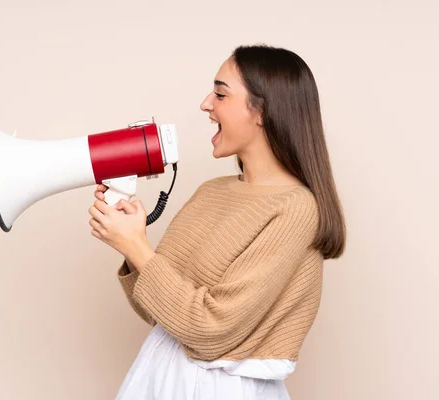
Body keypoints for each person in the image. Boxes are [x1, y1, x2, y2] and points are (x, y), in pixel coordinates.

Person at [88, 44, 346, 400]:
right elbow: (161, 312)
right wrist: (131, 245)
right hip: (159, 375)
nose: (206, 104)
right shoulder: (211, 192)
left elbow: (211, 331)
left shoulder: (295, 209)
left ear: (262, 110)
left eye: (221, 94)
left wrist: (136, 245)